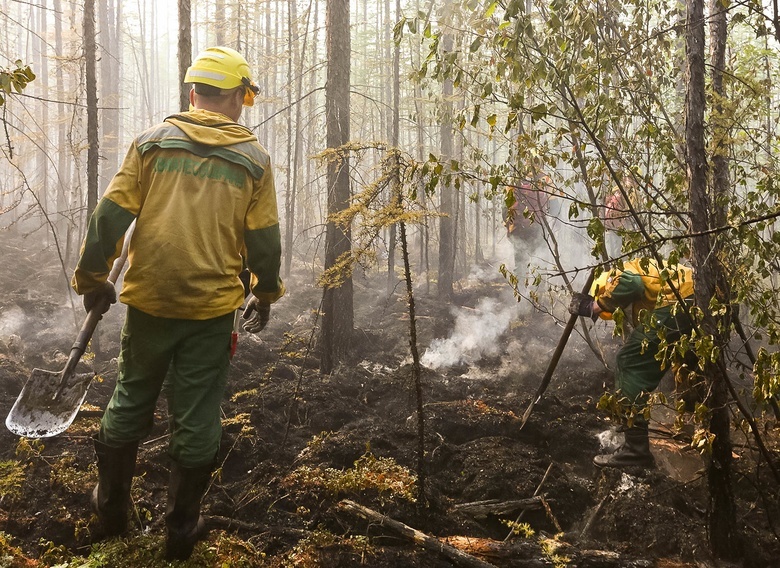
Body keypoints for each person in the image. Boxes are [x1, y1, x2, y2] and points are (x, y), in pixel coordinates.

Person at [71, 46, 285, 560]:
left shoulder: (150, 146)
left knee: (130, 397)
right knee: (197, 414)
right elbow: (264, 242)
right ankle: (181, 532)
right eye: (243, 99)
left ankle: (111, 513)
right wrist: (265, 290)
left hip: (149, 303)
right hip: (211, 311)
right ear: (236, 97)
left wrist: (92, 278)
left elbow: (110, 217)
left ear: (194, 94)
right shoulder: (254, 161)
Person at [568, 258, 694, 469]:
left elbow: (631, 284)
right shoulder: (651, 269)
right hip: (706, 299)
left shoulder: (614, 275)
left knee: (629, 361)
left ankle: (635, 451)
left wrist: (594, 306)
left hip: (680, 302)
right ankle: (694, 432)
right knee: (688, 364)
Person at [503, 172, 551, 273]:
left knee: (520, 263)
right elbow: (554, 208)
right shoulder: (544, 185)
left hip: (518, 230)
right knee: (539, 262)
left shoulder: (513, 186)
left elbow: (505, 210)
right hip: (538, 229)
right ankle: (539, 287)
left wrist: (509, 228)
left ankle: (520, 287)